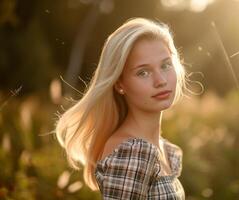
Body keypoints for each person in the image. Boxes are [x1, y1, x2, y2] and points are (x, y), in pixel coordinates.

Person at [54, 17, 191, 199]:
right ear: (119, 84)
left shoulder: (162, 148)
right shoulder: (132, 152)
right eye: (143, 72)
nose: (161, 81)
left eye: (165, 65)